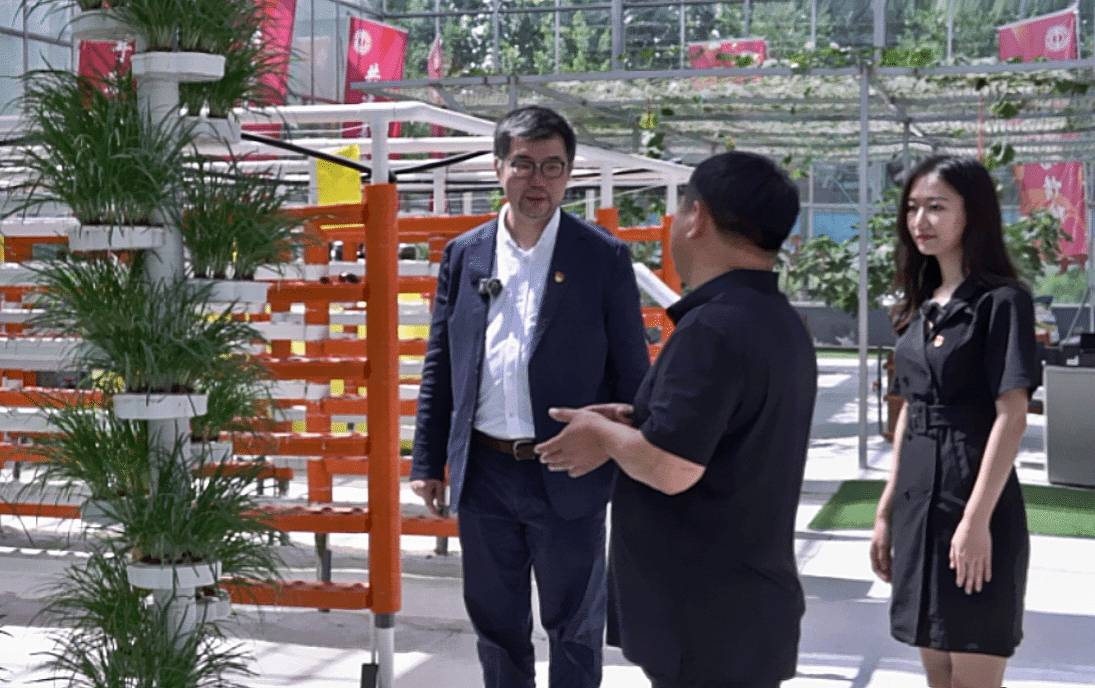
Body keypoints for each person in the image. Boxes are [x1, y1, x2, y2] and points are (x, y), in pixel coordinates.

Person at [536, 151, 817, 688]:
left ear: (697, 217)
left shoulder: (712, 328)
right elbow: (724, 431)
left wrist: (601, 434)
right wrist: (636, 418)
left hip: (704, 618)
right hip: (743, 610)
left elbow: (672, 468)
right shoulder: (779, 322)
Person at [409, 104, 650, 688]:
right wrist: (427, 461)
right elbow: (441, 362)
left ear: (569, 173)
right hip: (485, 472)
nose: (537, 180)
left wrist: (619, 454)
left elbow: (633, 376)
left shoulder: (602, 257)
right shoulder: (465, 254)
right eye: (523, 164)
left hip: (568, 469)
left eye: (552, 166)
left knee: (575, 628)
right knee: (496, 629)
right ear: (498, 169)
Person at [869, 155, 1037, 688]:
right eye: (913, 208)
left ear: (973, 214)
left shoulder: (1002, 302)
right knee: (937, 674)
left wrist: (975, 521)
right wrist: (886, 509)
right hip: (919, 506)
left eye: (937, 207)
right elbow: (909, 411)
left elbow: (1012, 415)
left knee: (973, 667)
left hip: (973, 501)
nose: (920, 220)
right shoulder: (921, 307)